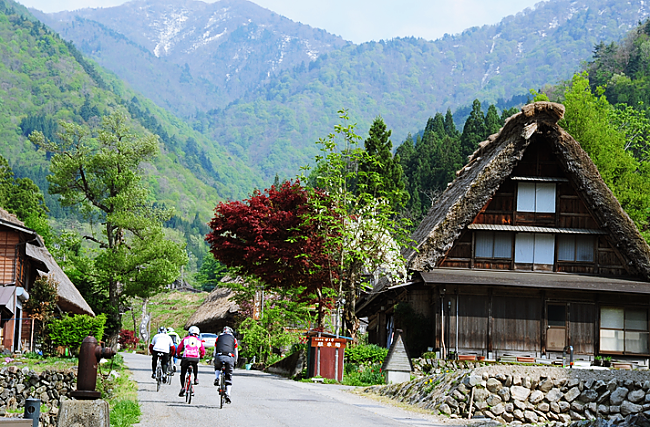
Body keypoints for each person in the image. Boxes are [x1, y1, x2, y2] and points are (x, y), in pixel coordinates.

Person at [177, 325, 205, 397]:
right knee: (195, 365)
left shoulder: (185, 339)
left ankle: (183, 387)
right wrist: (201, 356)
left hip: (186, 357)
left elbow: (179, 348)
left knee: (183, 373)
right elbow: (202, 350)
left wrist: (178, 355)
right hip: (195, 358)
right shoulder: (199, 341)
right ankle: (196, 378)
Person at [213, 326, 238, 404]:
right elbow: (236, 352)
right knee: (229, 376)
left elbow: (215, 350)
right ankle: (228, 394)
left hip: (219, 356)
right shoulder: (234, 339)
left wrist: (214, 358)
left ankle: (217, 377)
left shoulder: (218, 338)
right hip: (229, 357)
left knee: (217, 367)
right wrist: (235, 361)